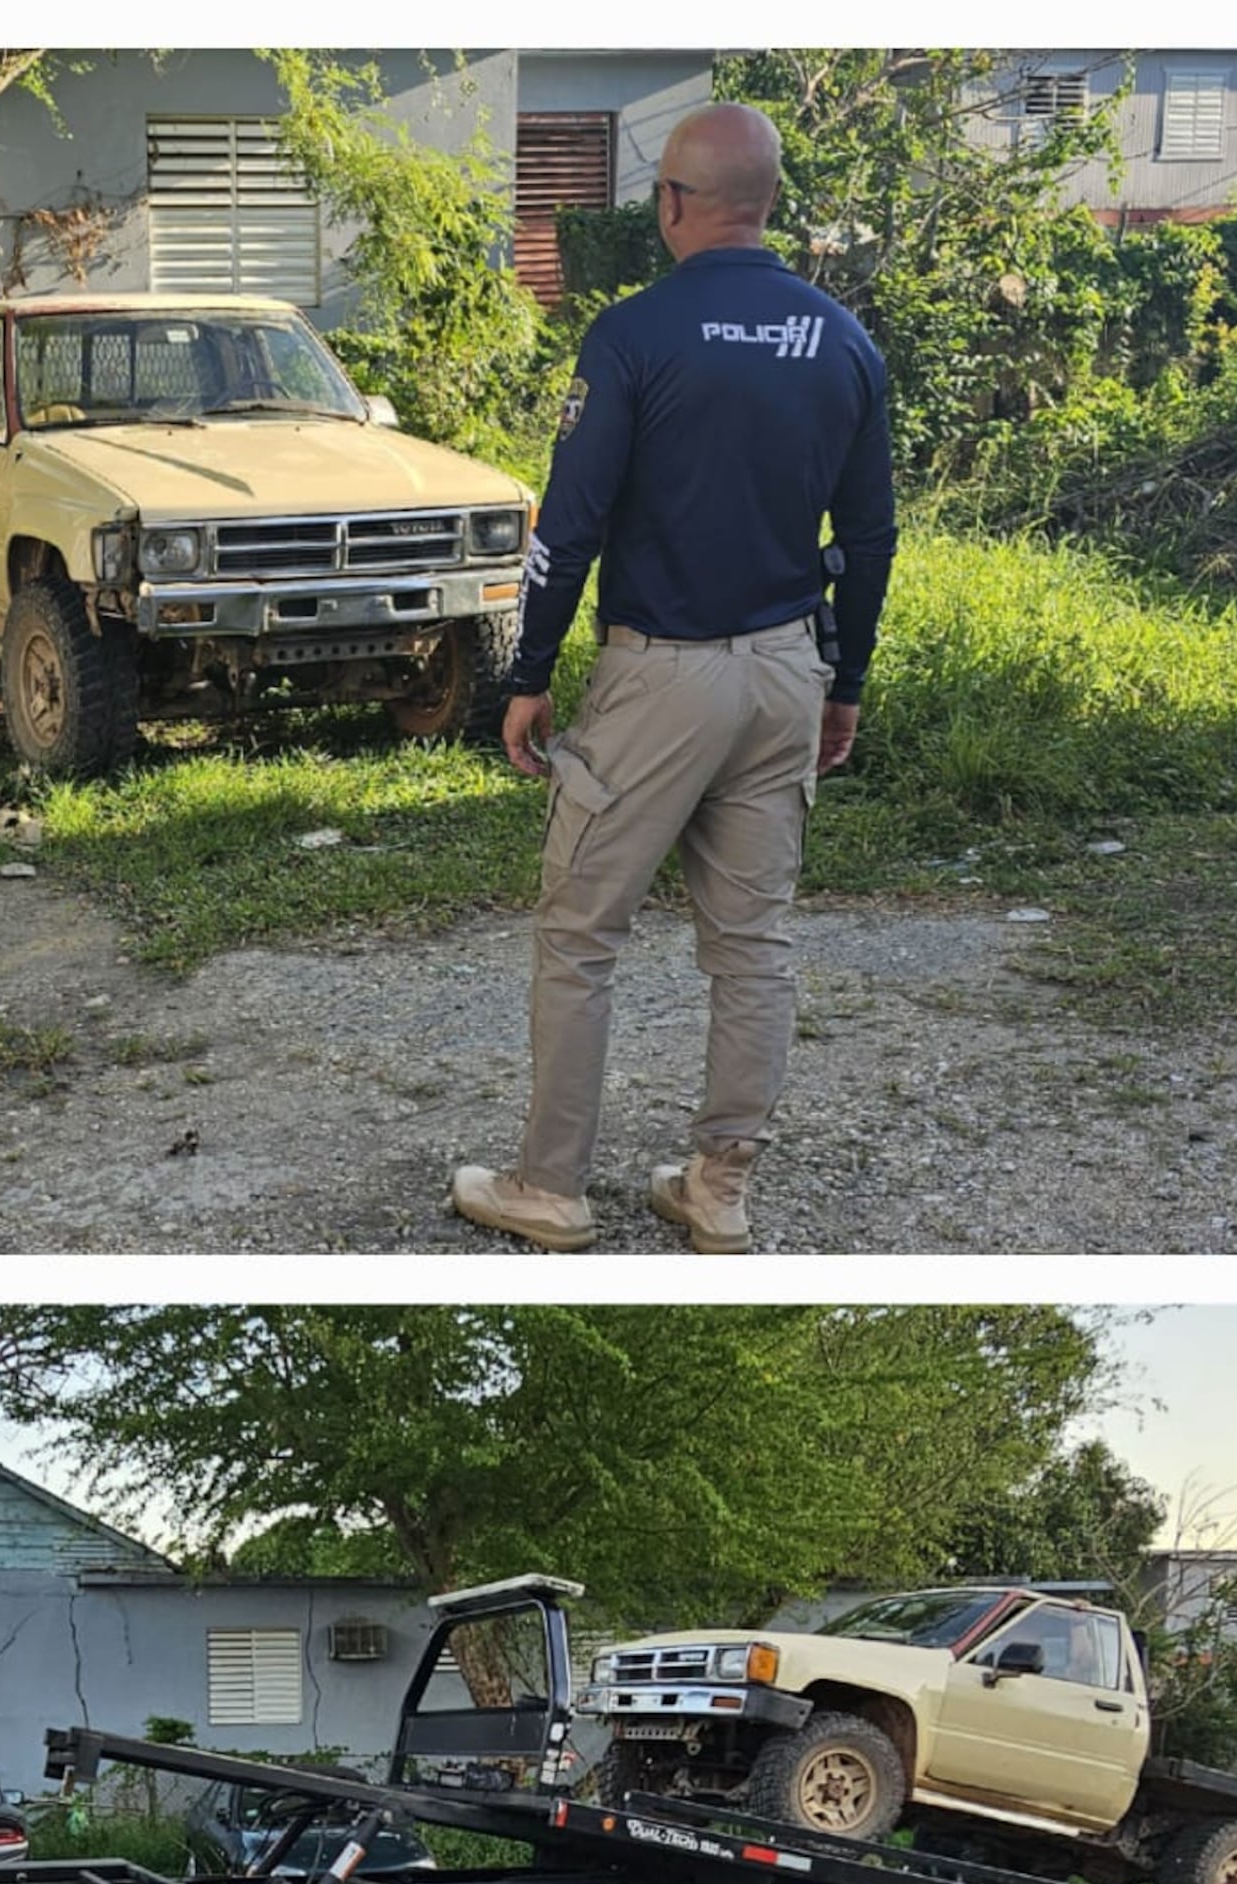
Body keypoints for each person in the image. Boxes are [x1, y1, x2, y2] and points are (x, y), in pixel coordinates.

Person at [449, 103, 897, 1255]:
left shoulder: (634, 335)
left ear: (671, 203)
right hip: (785, 669)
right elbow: (869, 533)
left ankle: (549, 1185)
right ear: (771, 202)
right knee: (752, 943)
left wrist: (529, 671)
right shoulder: (841, 340)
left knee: (580, 932)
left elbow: (570, 526)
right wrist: (844, 679)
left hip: (659, 678)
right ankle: (718, 1189)